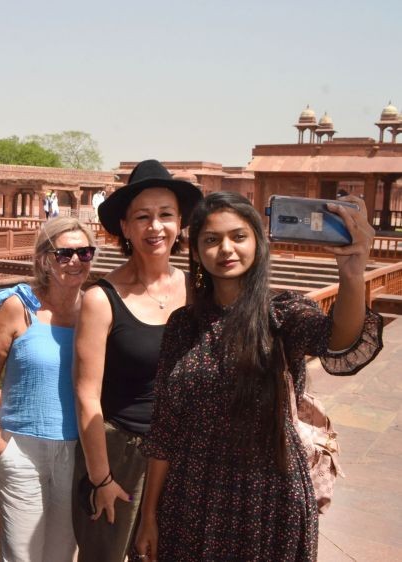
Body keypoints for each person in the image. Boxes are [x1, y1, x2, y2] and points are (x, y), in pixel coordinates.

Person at [134, 192, 383, 561]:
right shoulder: (183, 327)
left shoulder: (281, 314)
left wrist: (352, 273)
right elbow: (166, 429)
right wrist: (149, 515)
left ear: (258, 243)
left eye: (238, 236)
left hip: (267, 498)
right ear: (197, 252)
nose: (226, 249)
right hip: (191, 499)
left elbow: (338, 342)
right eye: (212, 239)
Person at [72, 159, 202, 561]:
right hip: (122, 454)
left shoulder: (196, 289)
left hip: (182, 457)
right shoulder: (102, 298)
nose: (155, 227)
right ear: (125, 228)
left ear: (180, 222)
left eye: (165, 215)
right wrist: (101, 479)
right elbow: (87, 397)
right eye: (142, 217)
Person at [0, 217, 97, 561]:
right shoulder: (20, 307)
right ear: (45, 258)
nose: (76, 261)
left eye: (84, 252)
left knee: (61, 555)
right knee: (21, 557)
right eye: (65, 254)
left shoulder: (94, 309)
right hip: (23, 449)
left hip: (76, 452)